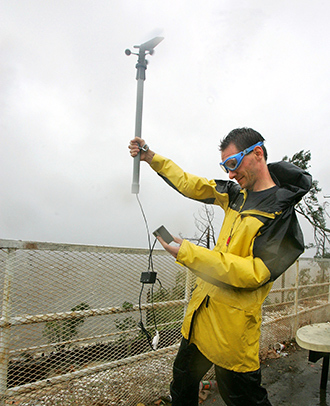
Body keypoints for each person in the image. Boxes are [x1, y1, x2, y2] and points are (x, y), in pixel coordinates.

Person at [129, 128, 312, 406]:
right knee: (182, 385)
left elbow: (255, 273)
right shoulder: (235, 194)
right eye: (225, 166)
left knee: (242, 399)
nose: (229, 174)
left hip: (232, 331)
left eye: (232, 164)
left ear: (257, 154)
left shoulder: (280, 213)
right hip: (200, 317)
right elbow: (192, 184)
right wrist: (151, 157)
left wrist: (188, 252)